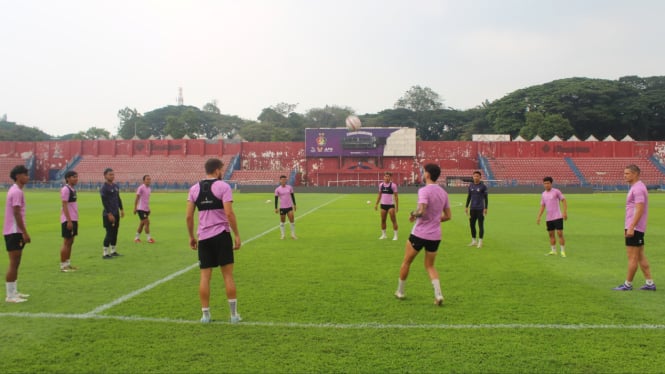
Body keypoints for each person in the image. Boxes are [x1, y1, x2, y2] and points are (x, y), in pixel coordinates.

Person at [186, 158, 242, 323]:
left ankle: (205, 315)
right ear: (217, 170)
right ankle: (233, 315)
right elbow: (229, 213)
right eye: (221, 170)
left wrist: (191, 237)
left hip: (204, 237)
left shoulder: (194, 189)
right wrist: (237, 235)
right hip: (222, 235)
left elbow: (189, 216)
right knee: (228, 276)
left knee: (204, 277)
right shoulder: (223, 186)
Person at [394, 163, 451, 306]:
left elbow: (422, 211)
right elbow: (448, 216)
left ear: (427, 174)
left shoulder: (424, 190)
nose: (422, 173)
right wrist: (434, 219)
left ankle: (400, 291)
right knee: (430, 266)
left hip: (419, 234)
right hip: (435, 236)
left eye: (424, 171)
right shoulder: (443, 193)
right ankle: (438, 295)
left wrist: (412, 214)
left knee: (406, 262)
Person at [613, 164, 656, 291]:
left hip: (635, 227)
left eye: (627, 173)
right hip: (635, 226)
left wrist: (631, 227)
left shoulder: (638, 188)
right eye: (624, 173)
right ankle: (649, 283)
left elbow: (640, 208)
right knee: (640, 255)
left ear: (635, 174)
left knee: (632, 257)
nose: (624, 175)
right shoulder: (637, 187)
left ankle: (628, 284)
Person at [4, 165, 31, 303]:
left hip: (14, 231)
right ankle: (10, 295)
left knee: (16, 262)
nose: (27, 177)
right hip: (14, 231)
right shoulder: (17, 192)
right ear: (18, 176)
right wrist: (24, 232)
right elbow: (16, 213)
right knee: (14, 263)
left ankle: (14, 291)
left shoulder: (16, 190)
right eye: (25, 174)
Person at [536, 176, 567, 257]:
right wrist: (539, 216)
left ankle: (563, 251)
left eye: (548, 183)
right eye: (545, 183)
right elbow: (542, 206)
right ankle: (553, 251)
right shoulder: (543, 194)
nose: (546, 185)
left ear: (551, 183)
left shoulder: (556, 191)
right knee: (551, 235)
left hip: (557, 217)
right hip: (549, 218)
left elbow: (563, 200)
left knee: (560, 233)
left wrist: (564, 212)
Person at [100, 168, 124, 259]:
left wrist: (121, 209)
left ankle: (113, 251)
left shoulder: (115, 186)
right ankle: (105, 253)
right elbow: (104, 202)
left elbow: (118, 198)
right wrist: (109, 213)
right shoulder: (104, 188)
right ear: (105, 175)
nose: (112, 176)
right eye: (110, 174)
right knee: (109, 232)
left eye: (113, 174)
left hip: (116, 212)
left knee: (115, 232)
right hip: (108, 214)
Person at [60, 171, 79, 272]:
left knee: (71, 241)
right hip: (68, 219)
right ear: (67, 178)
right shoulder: (66, 189)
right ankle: (63, 266)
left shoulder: (72, 189)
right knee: (66, 242)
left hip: (73, 218)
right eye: (73, 177)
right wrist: (69, 220)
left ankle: (67, 263)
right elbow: (64, 205)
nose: (76, 179)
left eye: (76, 177)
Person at [465, 170, 488, 248]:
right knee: (472, 224)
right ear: (473, 177)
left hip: (480, 208)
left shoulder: (483, 186)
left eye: (477, 176)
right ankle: (474, 241)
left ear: (480, 177)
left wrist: (486, 208)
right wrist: (466, 206)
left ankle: (480, 241)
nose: (476, 177)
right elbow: (469, 197)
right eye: (474, 176)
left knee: (480, 225)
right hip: (472, 209)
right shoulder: (471, 185)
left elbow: (486, 198)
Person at [374, 172, 399, 240]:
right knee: (383, 220)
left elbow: (396, 196)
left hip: (391, 205)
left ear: (390, 177)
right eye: (385, 176)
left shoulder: (393, 185)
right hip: (383, 205)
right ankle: (384, 235)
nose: (386, 178)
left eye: (388, 176)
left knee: (393, 220)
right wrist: (376, 204)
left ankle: (395, 235)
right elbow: (379, 195)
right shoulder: (381, 185)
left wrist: (397, 206)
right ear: (384, 177)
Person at [274, 175, 297, 239]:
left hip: (289, 207)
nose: (283, 181)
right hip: (282, 208)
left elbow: (292, 196)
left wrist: (294, 204)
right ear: (280, 180)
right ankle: (283, 235)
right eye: (282, 180)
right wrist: (276, 208)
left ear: (286, 180)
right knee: (282, 221)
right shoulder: (277, 189)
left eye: (285, 180)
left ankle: (293, 235)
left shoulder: (289, 187)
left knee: (292, 220)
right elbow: (276, 199)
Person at [134, 175, 155, 244]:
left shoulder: (149, 189)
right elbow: (137, 198)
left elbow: (146, 200)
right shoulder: (141, 188)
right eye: (147, 179)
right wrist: (135, 207)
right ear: (144, 180)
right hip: (140, 209)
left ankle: (136, 238)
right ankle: (149, 238)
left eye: (149, 179)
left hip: (146, 209)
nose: (149, 181)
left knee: (142, 224)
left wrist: (148, 208)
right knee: (147, 222)